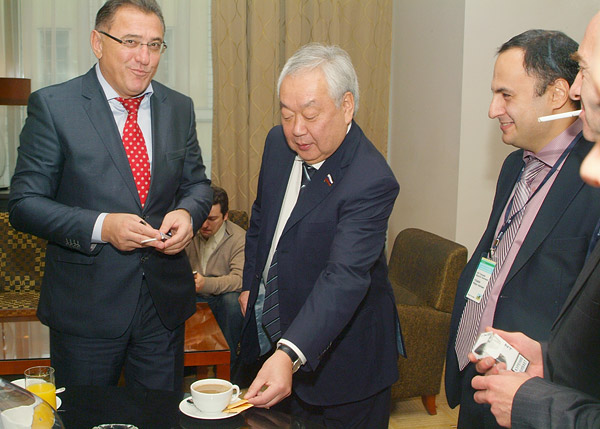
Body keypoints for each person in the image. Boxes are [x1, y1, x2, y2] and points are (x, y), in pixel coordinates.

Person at [8, 0, 212, 391]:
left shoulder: (178, 107)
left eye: (154, 45)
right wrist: (102, 227)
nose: (144, 57)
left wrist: (188, 213)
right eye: (131, 41)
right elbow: (24, 204)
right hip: (86, 310)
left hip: (163, 308)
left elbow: (198, 185)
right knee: (85, 415)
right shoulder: (54, 106)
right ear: (97, 42)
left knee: (159, 416)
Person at [238, 43, 404, 428]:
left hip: (346, 367)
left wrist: (289, 353)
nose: (297, 129)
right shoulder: (277, 144)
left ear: (347, 106)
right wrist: (250, 284)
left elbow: (343, 277)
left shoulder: (370, 179)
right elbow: (262, 218)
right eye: (286, 114)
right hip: (276, 341)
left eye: (310, 115)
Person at [445, 29, 600, 428]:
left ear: (558, 94)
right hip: (481, 372)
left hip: (540, 395)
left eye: (506, 95)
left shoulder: (593, 176)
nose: (493, 110)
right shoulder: (515, 165)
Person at [185, 185, 245, 374]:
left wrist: (206, 283)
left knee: (232, 302)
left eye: (212, 219)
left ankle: (228, 370)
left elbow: (239, 280)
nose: (205, 225)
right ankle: (183, 370)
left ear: (225, 216)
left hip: (221, 298)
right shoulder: (189, 231)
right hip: (192, 295)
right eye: (202, 217)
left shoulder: (239, 237)